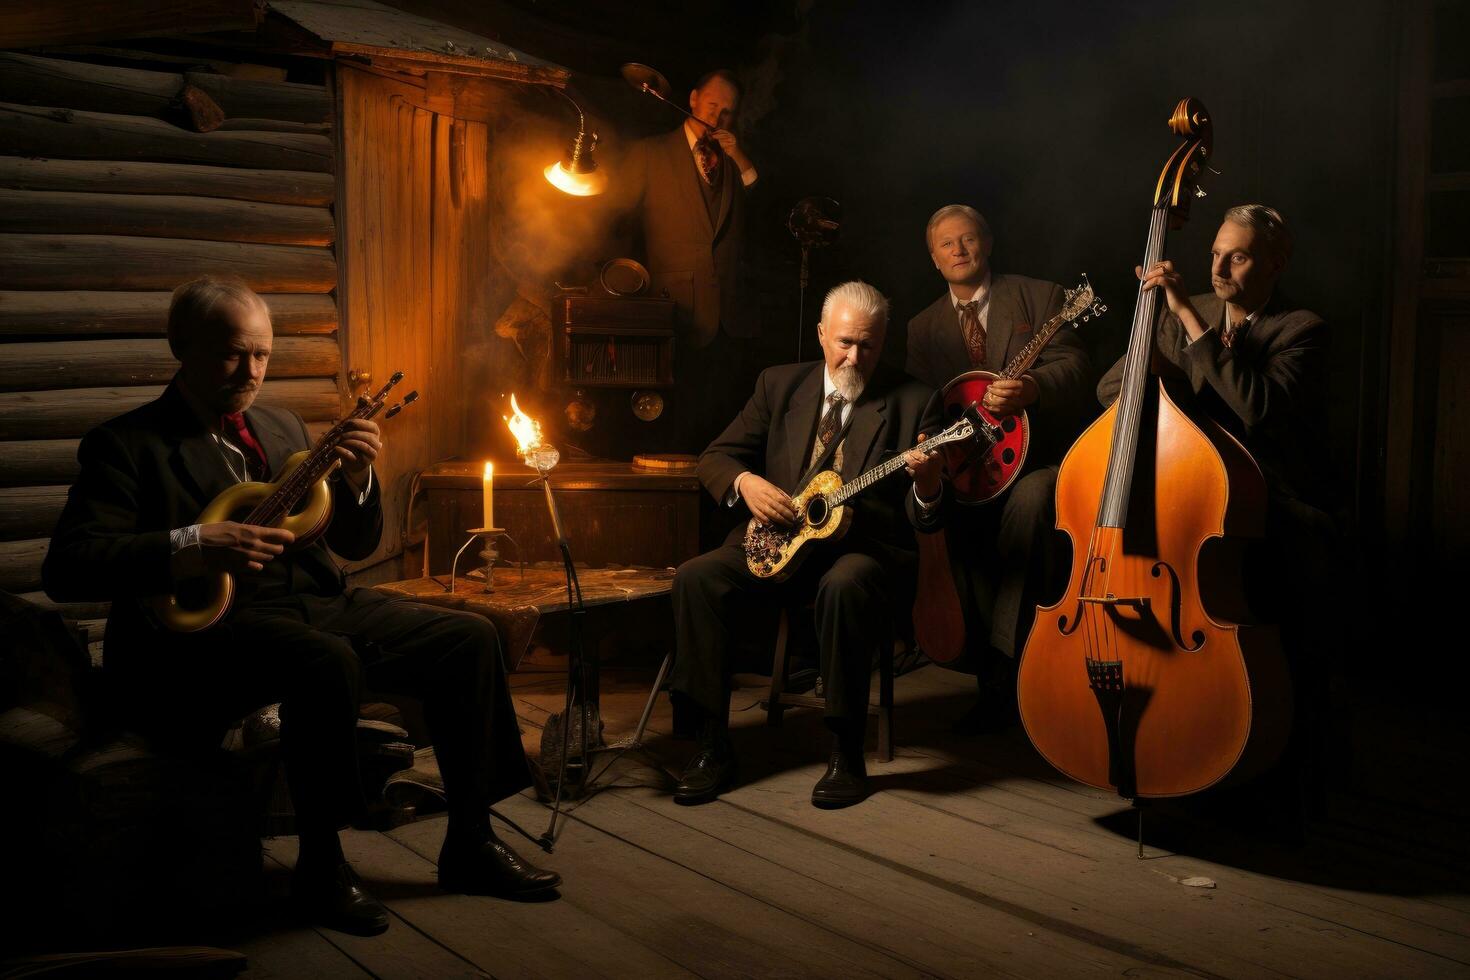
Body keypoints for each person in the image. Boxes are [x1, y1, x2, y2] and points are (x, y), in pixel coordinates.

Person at [42, 276, 561, 937]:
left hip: (313, 603)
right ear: (181, 345)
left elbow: (352, 540)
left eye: (261, 354)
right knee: (325, 662)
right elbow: (69, 565)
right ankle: (323, 865)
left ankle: (470, 841)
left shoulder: (280, 425)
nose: (250, 372)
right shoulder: (126, 443)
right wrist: (192, 543)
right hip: (204, 629)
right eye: (232, 353)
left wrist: (357, 479)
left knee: (469, 639)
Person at [1097, 203, 1335, 828]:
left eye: (1239, 256)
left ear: (1276, 262)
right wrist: (1164, 375)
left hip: (1269, 498)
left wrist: (1184, 318)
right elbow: (1106, 390)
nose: (1220, 267)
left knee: (1288, 563)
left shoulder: (1300, 328)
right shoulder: (1188, 307)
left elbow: (1256, 411)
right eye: (1215, 254)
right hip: (1193, 490)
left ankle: (1273, 757)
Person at [669, 280, 945, 809]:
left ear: (883, 341)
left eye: (868, 344)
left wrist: (928, 484)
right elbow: (714, 458)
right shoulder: (778, 385)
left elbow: (925, 520)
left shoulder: (916, 400)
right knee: (696, 577)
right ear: (821, 335)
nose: (854, 356)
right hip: (776, 542)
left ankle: (845, 751)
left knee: (845, 584)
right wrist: (745, 483)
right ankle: (710, 745)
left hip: (862, 549)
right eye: (844, 342)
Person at [905, 204, 1092, 732]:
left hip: (1035, 461)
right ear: (934, 259)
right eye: (947, 244)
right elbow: (923, 401)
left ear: (986, 243)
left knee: (1034, 501)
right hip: (965, 470)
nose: (959, 250)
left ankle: (1003, 670)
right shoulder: (922, 328)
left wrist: (1033, 388)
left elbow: (1077, 369)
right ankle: (960, 652)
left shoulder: (1041, 295)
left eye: (968, 239)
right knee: (937, 511)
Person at [620, 68, 762, 455]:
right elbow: (623, 225)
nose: (717, 119)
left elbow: (761, 206)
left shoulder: (732, 158)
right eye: (713, 106)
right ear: (694, 99)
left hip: (730, 317)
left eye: (727, 112)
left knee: (725, 427)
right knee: (677, 429)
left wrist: (739, 155)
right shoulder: (651, 153)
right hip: (674, 313)